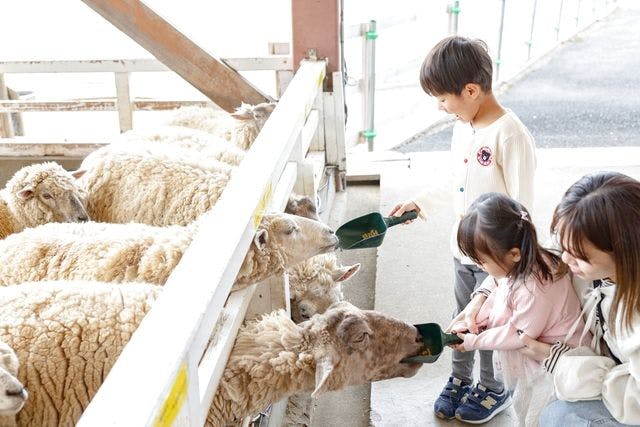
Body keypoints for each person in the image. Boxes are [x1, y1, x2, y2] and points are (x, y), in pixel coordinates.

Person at [389, 35, 536, 423]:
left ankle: (494, 387)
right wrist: (420, 202)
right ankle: (460, 379)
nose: (440, 107)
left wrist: (514, 265)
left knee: (492, 320)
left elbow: (524, 208)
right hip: (463, 252)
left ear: (470, 90)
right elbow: (455, 181)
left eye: (443, 98)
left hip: (498, 260)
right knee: (463, 317)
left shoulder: (510, 135)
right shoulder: (464, 127)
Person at [448, 192, 589, 425]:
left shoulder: (536, 288)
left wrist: (472, 341)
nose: (477, 266)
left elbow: (517, 334)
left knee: (537, 415)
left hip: (556, 364)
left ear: (513, 253)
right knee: (523, 407)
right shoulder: (526, 260)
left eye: (482, 261)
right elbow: (501, 288)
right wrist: (476, 314)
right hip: (536, 358)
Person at [517, 171, 640, 426]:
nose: (564, 259)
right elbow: (531, 259)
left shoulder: (634, 318)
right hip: (612, 369)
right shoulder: (583, 242)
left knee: (559, 415)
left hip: (630, 399)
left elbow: (634, 401)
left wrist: (564, 363)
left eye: (579, 256)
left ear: (624, 250)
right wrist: (480, 299)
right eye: (563, 246)